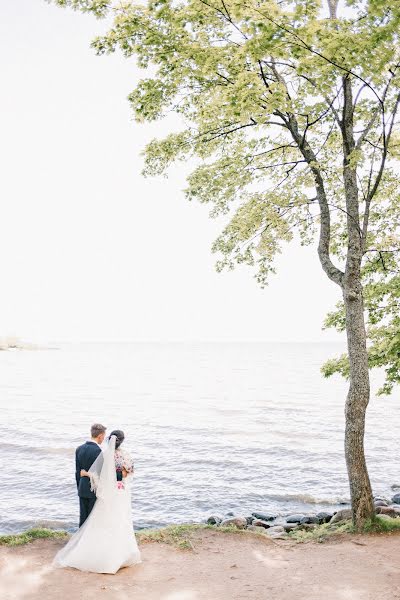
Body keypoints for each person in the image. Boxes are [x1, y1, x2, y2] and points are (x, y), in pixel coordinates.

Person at [54, 429, 141, 574]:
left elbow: (99, 475)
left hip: (109, 492)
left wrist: (86, 473)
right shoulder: (126, 455)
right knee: (121, 519)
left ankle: (95, 550)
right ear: (122, 440)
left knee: (103, 519)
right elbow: (128, 472)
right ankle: (123, 552)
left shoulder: (105, 455)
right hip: (121, 492)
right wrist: (122, 475)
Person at [75, 423, 106, 527]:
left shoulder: (79, 449)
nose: (103, 439)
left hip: (82, 487)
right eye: (103, 437)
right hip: (93, 489)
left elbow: (77, 472)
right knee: (92, 518)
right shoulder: (99, 451)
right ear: (100, 436)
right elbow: (101, 473)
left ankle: (80, 540)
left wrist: (79, 487)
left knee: (83, 517)